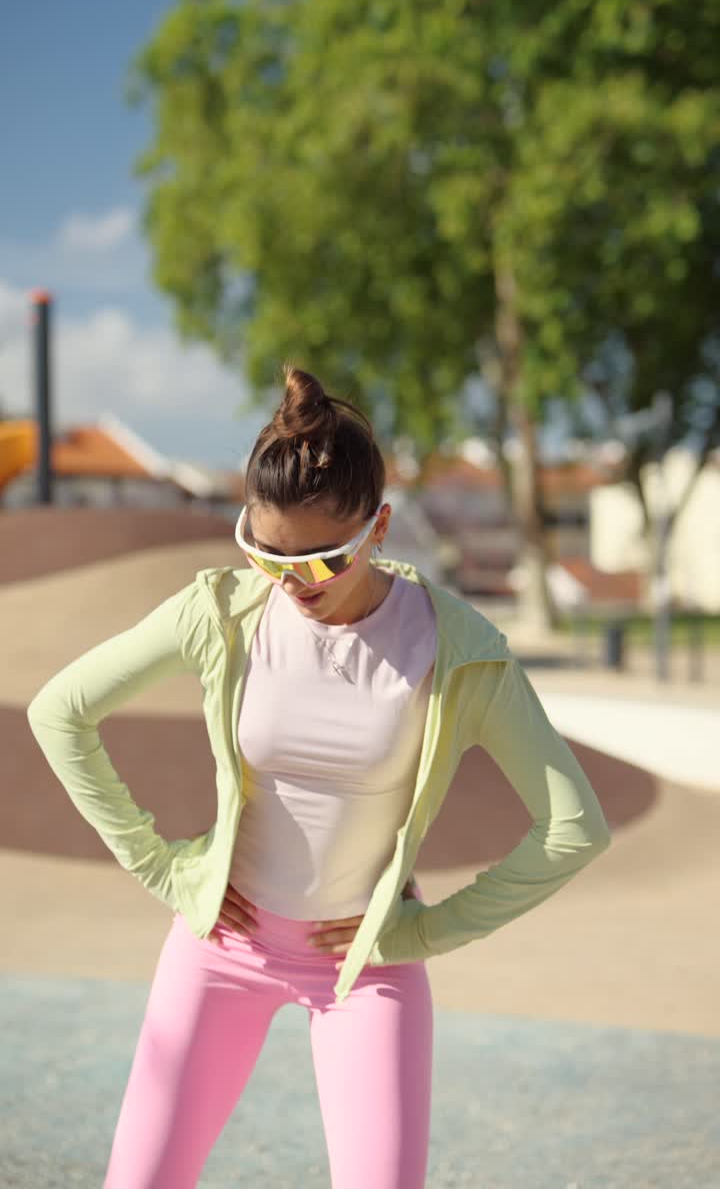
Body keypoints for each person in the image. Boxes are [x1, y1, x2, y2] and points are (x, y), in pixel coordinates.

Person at [26, 363, 612, 1188]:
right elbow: (60, 711)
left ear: (380, 527)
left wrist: (430, 931)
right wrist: (158, 864)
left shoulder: (455, 648)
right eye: (268, 555)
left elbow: (574, 826)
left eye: (321, 561)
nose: (293, 583)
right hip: (221, 947)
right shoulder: (222, 611)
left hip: (364, 969)